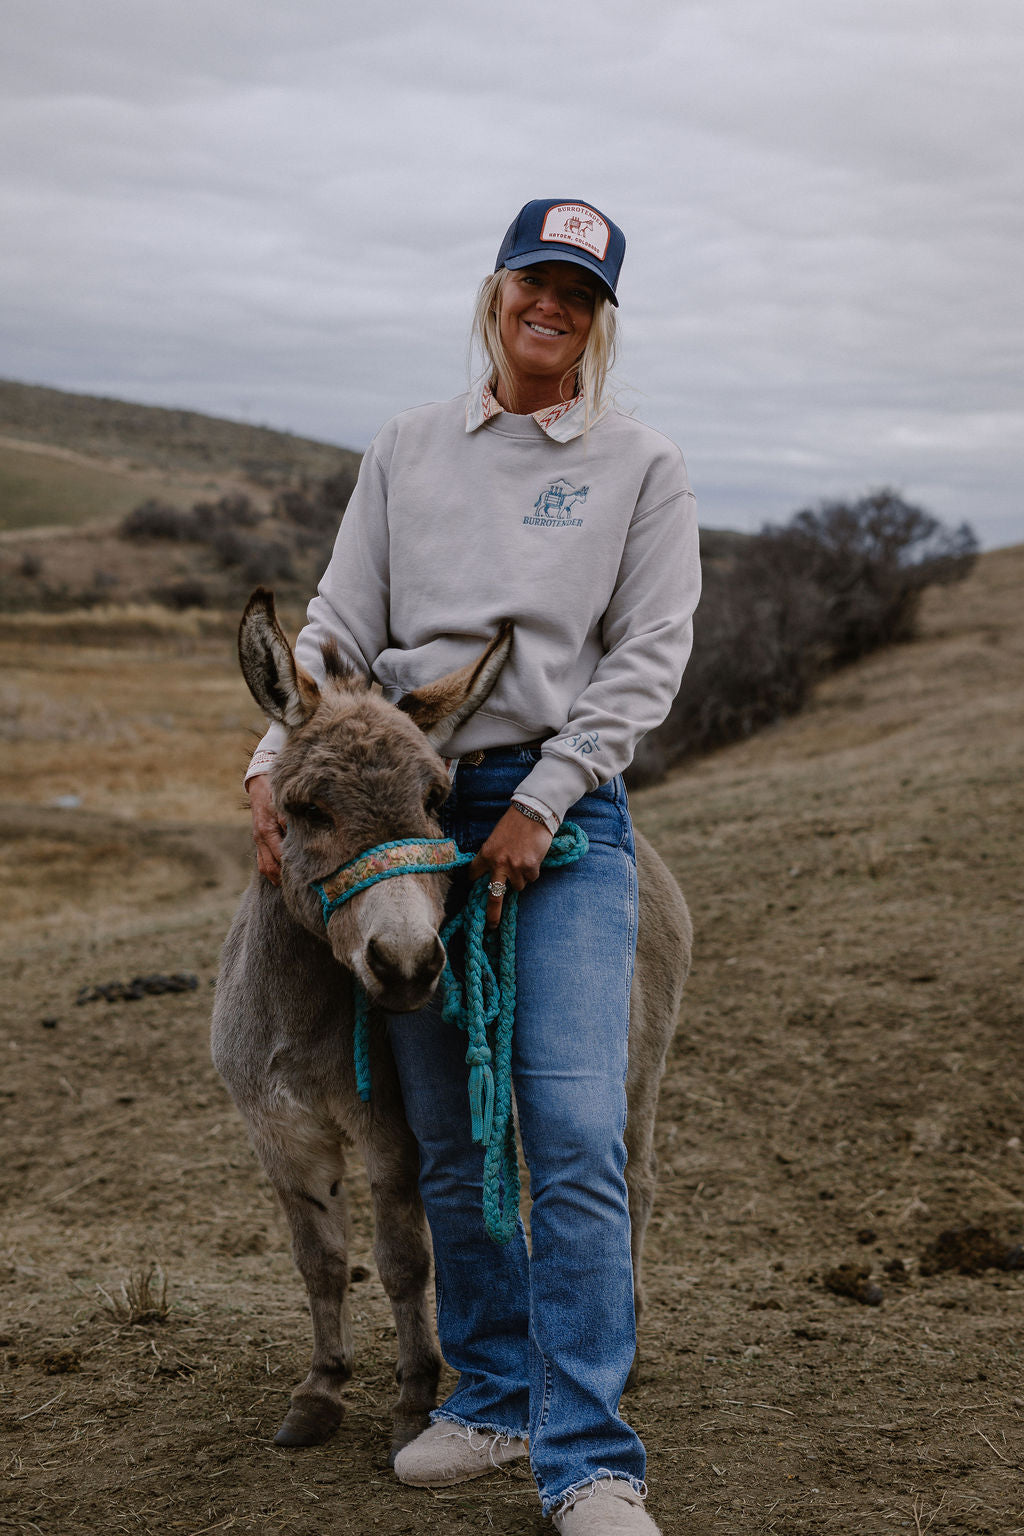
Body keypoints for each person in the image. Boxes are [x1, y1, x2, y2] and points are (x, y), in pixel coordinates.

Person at [246, 198, 701, 1534]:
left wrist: (546, 800)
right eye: (532, 280)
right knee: (448, 1135)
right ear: (496, 290)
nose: (550, 305)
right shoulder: (408, 449)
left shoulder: (640, 463)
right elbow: (336, 624)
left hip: (563, 812)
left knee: (568, 1126)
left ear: (598, 317)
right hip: (404, 801)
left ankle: (591, 1457)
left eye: (579, 290)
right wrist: (268, 764)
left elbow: (647, 660)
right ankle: (494, 1395)